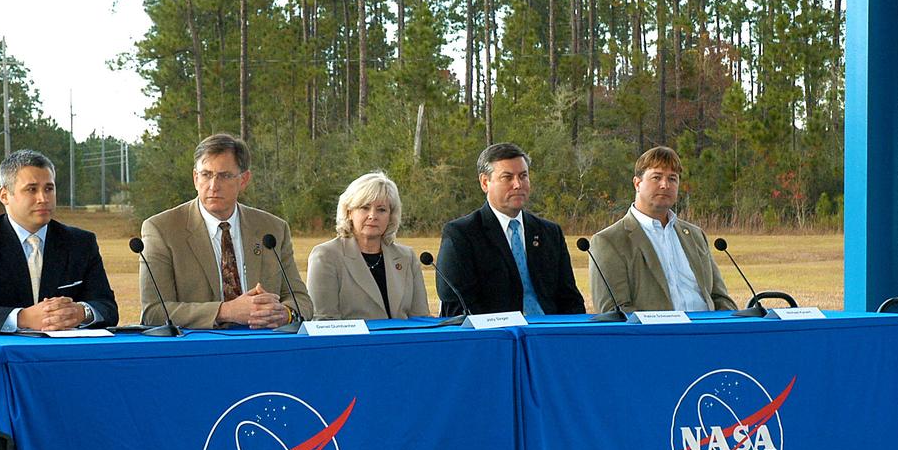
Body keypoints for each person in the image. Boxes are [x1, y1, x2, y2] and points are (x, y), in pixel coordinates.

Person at [139, 133, 311, 329]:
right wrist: (226, 311)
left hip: (263, 345)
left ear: (244, 180)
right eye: (206, 174)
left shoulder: (272, 229)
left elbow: (301, 299)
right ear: (195, 178)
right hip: (197, 350)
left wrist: (285, 314)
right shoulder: (162, 230)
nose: (213, 186)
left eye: (225, 176)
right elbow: (153, 312)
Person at [0, 149, 118, 334]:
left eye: (49, 189)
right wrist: (23, 318)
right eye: (31, 189)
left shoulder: (81, 243)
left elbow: (107, 307)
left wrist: (82, 313)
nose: (43, 198)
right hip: (2, 357)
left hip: (65, 357)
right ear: (4, 195)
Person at [435, 142, 585, 317]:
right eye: (507, 177)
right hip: (496, 337)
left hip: (549, 335)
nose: (517, 184)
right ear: (485, 182)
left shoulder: (550, 233)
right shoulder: (462, 235)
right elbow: (457, 308)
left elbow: (571, 300)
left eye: (523, 176)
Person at [588, 145, 737, 313]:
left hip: (707, 334)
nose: (665, 185)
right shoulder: (609, 241)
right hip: (654, 336)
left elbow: (720, 298)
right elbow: (615, 312)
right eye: (656, 177)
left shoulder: (695, 235)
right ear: (637, 183)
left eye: (672, 179)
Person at [306, 172, 430, 320]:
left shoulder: (406, 257)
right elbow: (324, 322)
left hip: (403, 342)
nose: (373, 215)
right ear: (349, 212)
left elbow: (421, 319)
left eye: (381, 209)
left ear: (391, 216)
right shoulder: (326, 256)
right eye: (365, 207)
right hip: (352, 343)